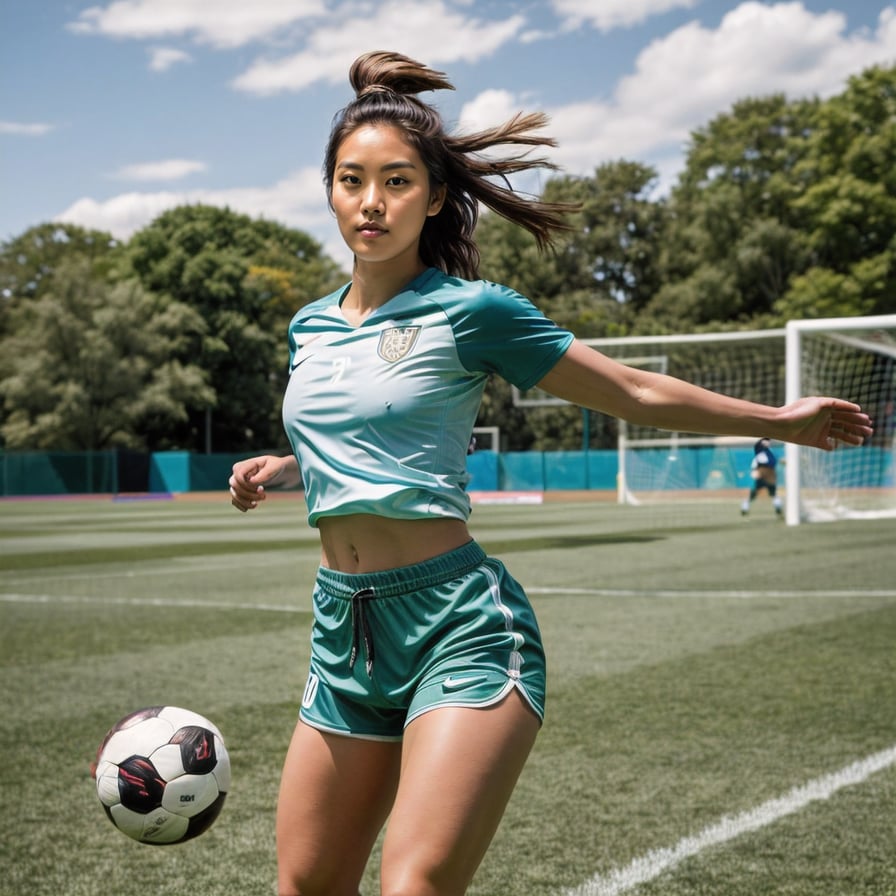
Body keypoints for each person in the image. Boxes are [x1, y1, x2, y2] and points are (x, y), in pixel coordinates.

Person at [228, 51, 872, 896]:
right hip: (343, 633)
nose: (371, 202)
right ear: (330, 190)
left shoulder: (472, 312)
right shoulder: (308, 327)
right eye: (352, 181)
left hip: (456, 625)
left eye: (396, 181)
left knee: (413, 885)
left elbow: (632, 389)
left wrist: (777, 422)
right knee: (305, 886)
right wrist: (283, 468)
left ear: (434, 197)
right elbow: (356, 433)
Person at [741, 437, 783, 516]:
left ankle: (778, 508)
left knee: (773, 493)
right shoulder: (760, 452)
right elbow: (757, 448)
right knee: (754, 494)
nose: (767, 443)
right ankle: (745, 507)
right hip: (763, 474)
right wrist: (755, 471)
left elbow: (773, 462)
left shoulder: (769, 452)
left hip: (769, 475)